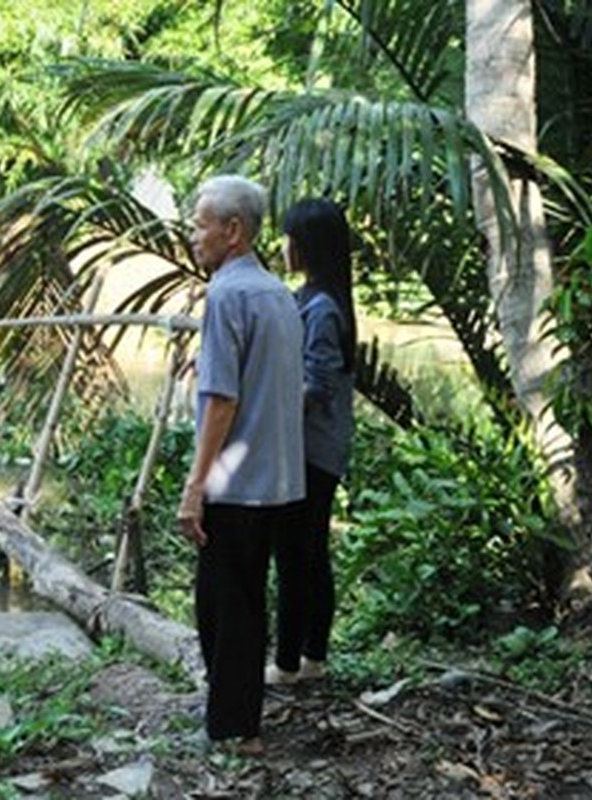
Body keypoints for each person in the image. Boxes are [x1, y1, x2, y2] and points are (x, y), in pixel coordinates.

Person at [177, 175, 307, 754]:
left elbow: (221, 399)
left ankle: (234, 731)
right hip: (279, 481)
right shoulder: (279, 293)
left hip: (236, 483)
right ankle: (242, 721)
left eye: (201, 224)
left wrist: (195, 485)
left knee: (224, 609)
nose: (193, 234)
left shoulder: (227, 295)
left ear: (233, 232)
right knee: (248, 603)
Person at [266, 198, 357, 686]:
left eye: (290, 239)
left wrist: (262, 407)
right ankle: (311, 656)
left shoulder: (321, 308)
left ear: (306, 247)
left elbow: (317, 386)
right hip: (314, 449)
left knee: (297, 556)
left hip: (311, 452)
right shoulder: (314, 299)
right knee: (307, 553)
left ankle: (290, 663)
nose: (284, 248)